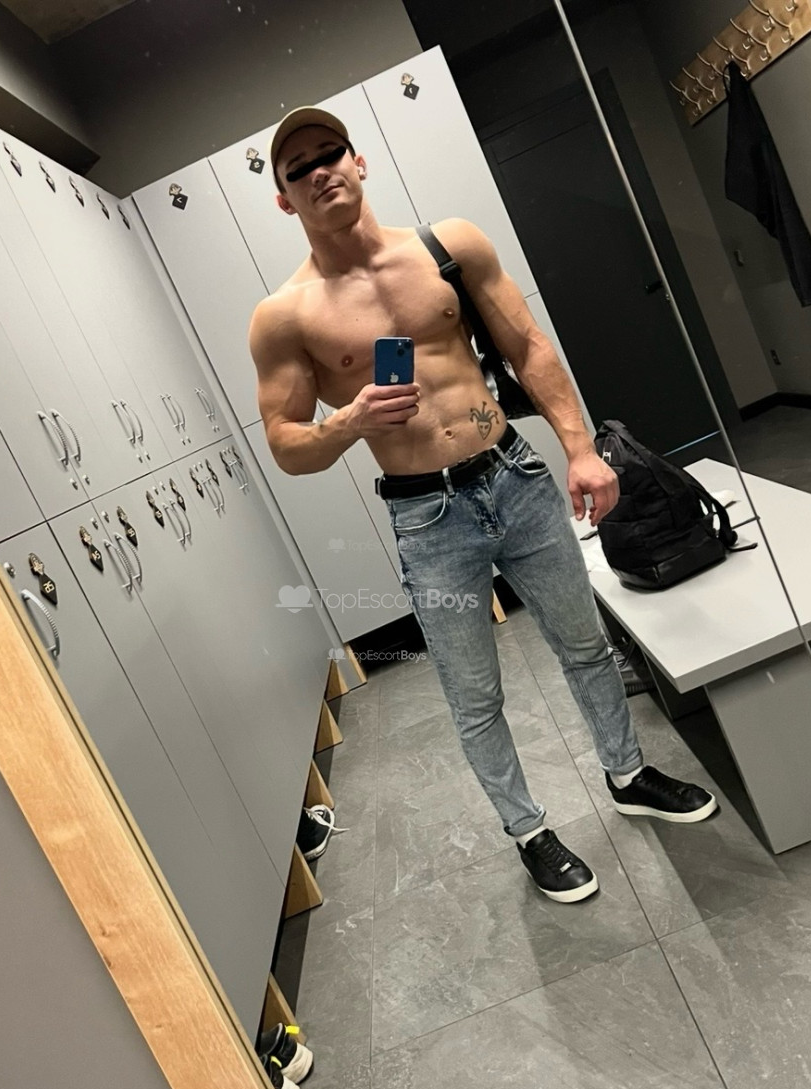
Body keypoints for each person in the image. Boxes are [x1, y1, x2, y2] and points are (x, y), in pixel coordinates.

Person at [248, 106, 717, 904]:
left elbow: (527, 346)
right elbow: (286, 446)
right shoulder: (285, 317)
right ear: (284, 199)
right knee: (474, 695)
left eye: (331, 152)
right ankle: (529, 832)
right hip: (426, 517)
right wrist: (350, 420)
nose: (320, 169)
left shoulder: (447, 248)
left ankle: (628, 774)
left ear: (359, 162)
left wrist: (579, 449)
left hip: (513, 476)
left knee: (585, 646)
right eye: (300, 167)